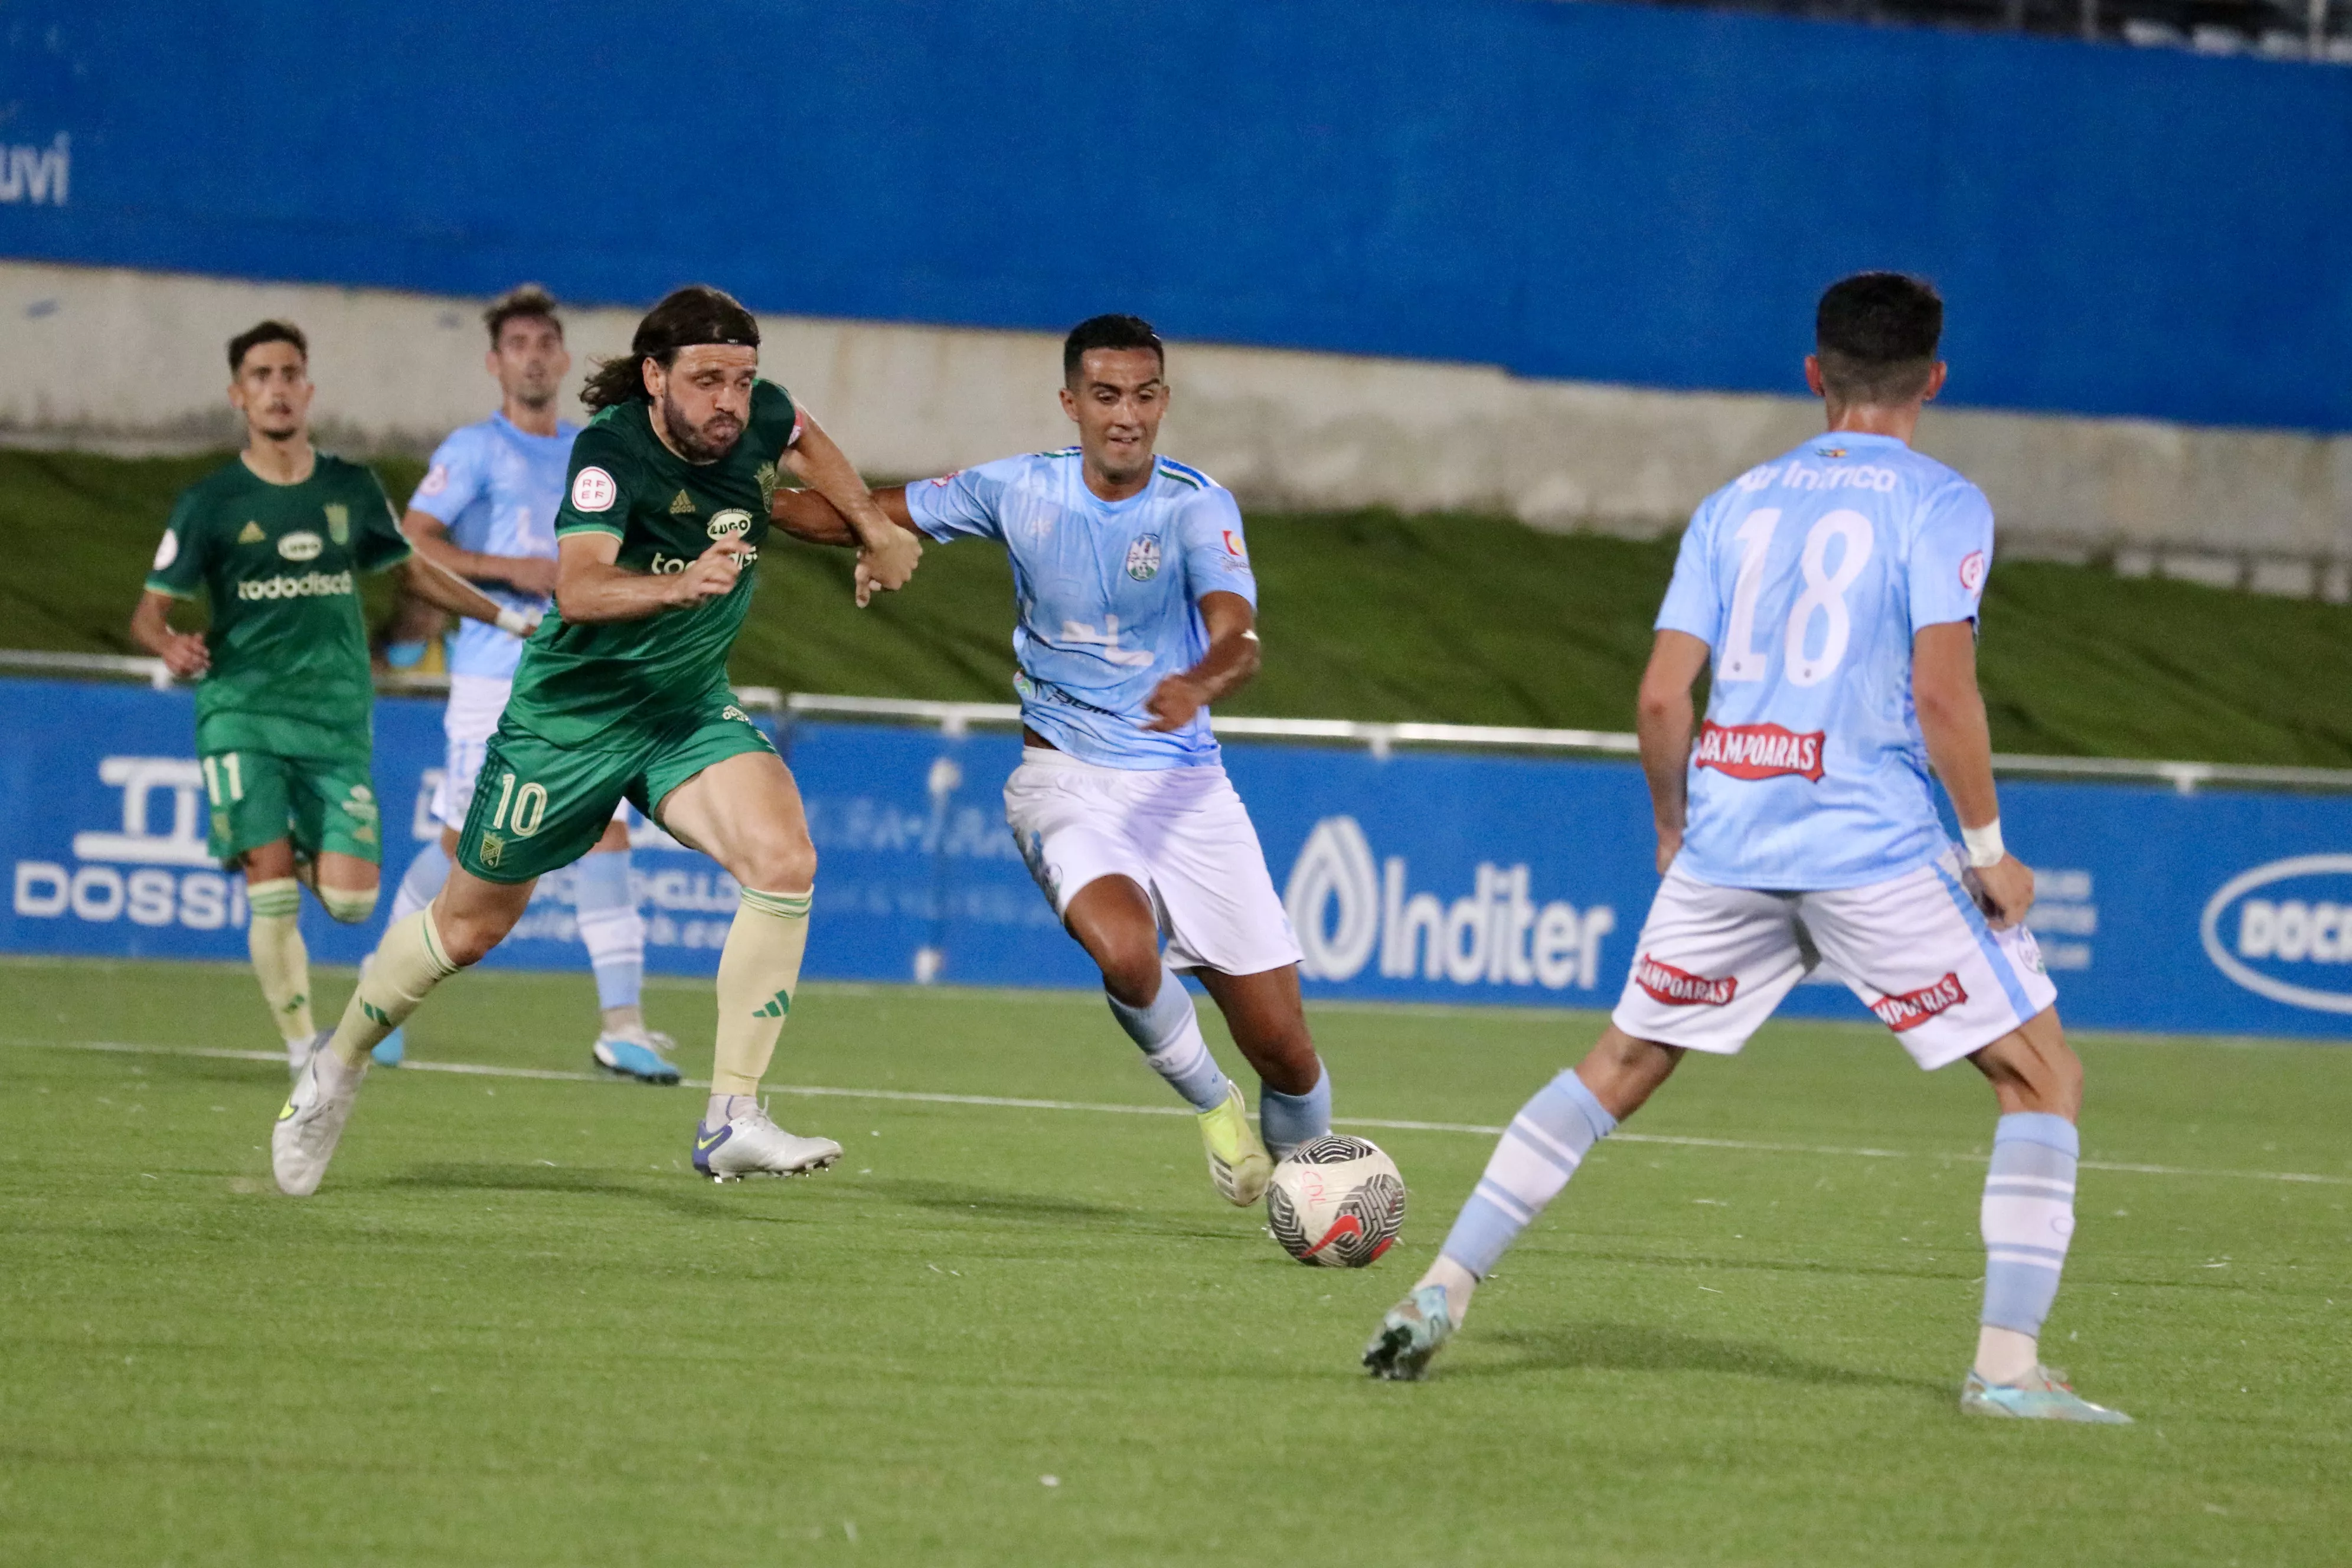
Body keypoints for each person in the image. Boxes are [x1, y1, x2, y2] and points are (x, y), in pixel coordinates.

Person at [1361, 274, 2128, 1423]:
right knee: (2041, 1074)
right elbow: (1940, 688)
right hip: (1867, 840)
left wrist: (1675, 826)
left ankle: (1442, 1285)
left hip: (1731, 834)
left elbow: (1666, 696)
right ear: (1935, 379)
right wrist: (1990, 848)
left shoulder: (1735, 504)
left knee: (1617, 1066)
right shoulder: (1942, 501)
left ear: (1815, 375)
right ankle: (2007, 1368)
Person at [271, 284, 920, 1197]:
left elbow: (807, 434)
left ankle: (732, 1116)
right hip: (568, 723)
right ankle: (335, 1067)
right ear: (654, 377)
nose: (729, 401)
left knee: (784, 860)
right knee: (468, 927)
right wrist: (678, 584)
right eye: (706, 380)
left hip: (681, 711)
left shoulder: (759, 416)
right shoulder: (609, 452)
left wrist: (874, 526)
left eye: (741, 379)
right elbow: (578, 590)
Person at [773, 313, 1333, 1208]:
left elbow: (1242, 638)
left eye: (1145, 396)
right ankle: (1213, 1106)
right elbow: (852, 514)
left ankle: (1310, 1197)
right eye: (1106, 396)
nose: (1127, 416)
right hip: (1062, 777)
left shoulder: (1197, 506)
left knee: (1287, 1053)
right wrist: (747, 495)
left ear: (1164, 402)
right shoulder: (1017, 489)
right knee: (1123, 950)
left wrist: (1198, 683)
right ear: (1071, 403)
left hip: (1186, 790)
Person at [129, 320, 522, 1077]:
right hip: (241, 711)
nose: (277, 387)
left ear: (307, 389)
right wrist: (170, 643)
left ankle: (284, 842)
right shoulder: (209, 503)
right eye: (262, 375)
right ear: (238, 394)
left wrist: (506, 615)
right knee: (271, 890)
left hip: (336, 716)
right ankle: (302, 1048)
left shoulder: (348, 488)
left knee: (351, 904)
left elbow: (412, 571)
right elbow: (149, 613)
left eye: (289, 373)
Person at [373, 285, 676, 1082]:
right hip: (495, 675)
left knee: (608, 833)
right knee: (463, 843)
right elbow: (410, 542)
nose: (534, 356)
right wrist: (514, 569)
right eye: (518, 344)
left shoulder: (593, 448)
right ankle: (384, 984)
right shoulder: (473, 450)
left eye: (546, 341)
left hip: (581, 677)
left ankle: (624, 1024)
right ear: (495, 362)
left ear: (565, 356)